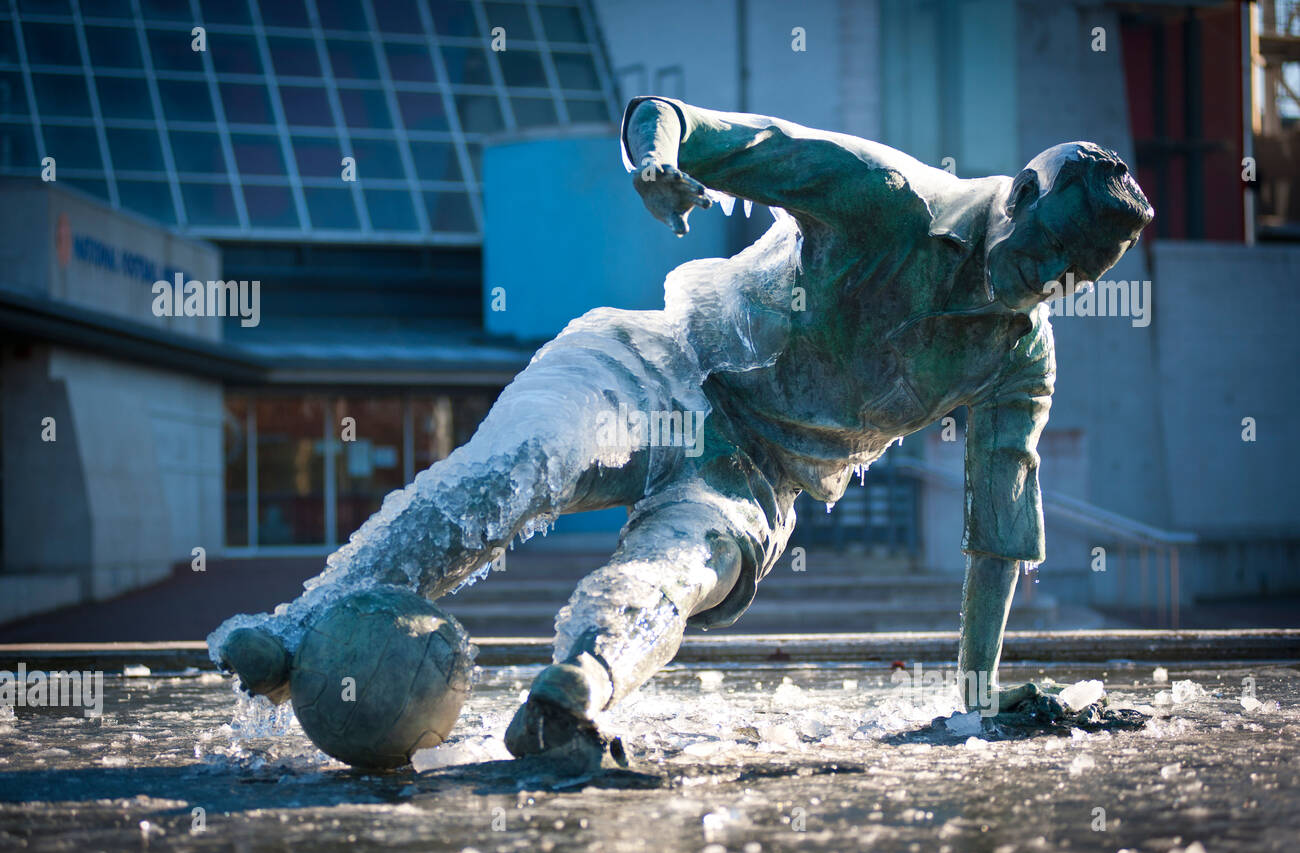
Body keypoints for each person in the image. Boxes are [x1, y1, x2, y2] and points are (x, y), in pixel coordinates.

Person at [211, 96, 1153, 764]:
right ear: (1019, 203)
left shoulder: (1019, 356)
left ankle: (571, 696)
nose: (1037, 287)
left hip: (753, 478)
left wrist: (980, 697)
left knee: (671, 575)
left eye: (1069, 279)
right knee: (514, 470)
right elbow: (686, 122)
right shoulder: (886, 195)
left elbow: (997, 535)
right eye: (1039, 258)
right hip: (653, 366)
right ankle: (293, 635)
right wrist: (657, 164)